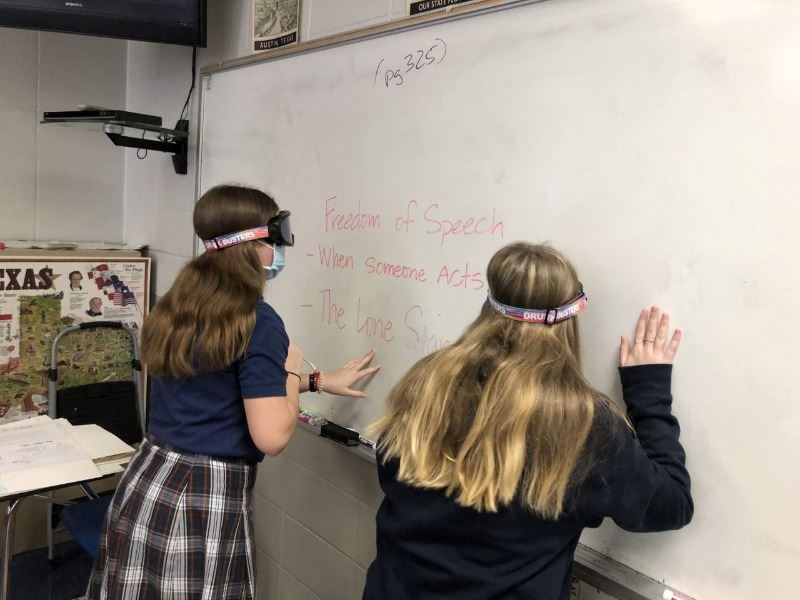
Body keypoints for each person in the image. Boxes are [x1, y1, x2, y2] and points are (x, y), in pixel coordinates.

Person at [87, 184, 380, 599]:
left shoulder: (182, 303)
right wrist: (292, 367)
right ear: (251, 244)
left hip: (151, 475)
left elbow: (217, 386)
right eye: (275, 236)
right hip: (202, 491)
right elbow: (272, 436)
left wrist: (315, 382)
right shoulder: (258, 321)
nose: (280, 249)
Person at [363, 242, 692, 600]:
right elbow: (671, 505)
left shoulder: (427, 384)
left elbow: (390, 467)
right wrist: (648, 392)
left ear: (490, 306)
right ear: (570, 318)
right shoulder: (581, 425)